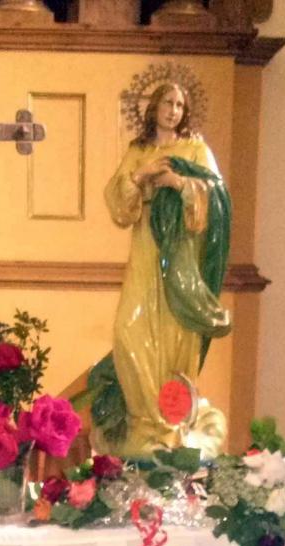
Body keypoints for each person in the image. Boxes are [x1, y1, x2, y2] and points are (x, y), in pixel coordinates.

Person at [100, 81, 232, 457]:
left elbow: (217, 199)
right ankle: (143, 424)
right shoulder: (138, 151)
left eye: (179, 105)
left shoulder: (196, 149)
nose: (173, 110)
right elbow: (119, 206)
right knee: (127, 332)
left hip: (180, 259)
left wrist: (179, 182)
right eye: (167, 103)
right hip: (145, 252)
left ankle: (169, 426)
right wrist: (140, 175)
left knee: (176, 340)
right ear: (154, 106)